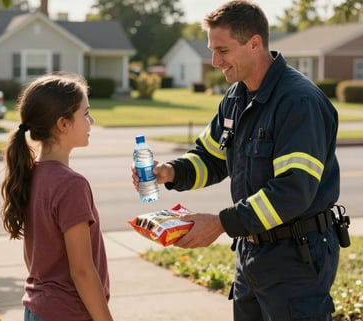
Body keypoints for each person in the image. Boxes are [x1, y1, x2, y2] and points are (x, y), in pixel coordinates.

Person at [132, 1, 347, 320]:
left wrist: (221, 223)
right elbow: (212, 157)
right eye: (212, 50)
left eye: (223, 50)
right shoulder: (235, 97)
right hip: (250, 253)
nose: (215, 61)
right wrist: (171, 172)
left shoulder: (299, 102)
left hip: (296, 259)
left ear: (255, 43)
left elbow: (292, 191)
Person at [0, 72, 115, 321]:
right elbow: (82, 271)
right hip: (68, 313)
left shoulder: (30, 175)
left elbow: (33, 258)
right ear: (63, 124)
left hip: (36, 309)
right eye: (85, 113)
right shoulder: (71, 185)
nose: (91, 120)